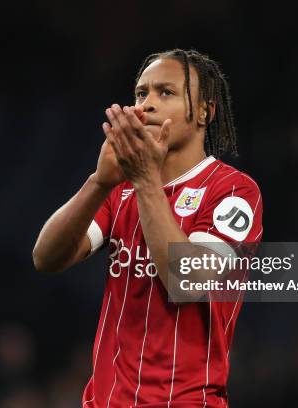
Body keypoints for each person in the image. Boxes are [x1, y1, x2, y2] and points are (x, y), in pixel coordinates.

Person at [33, 49, 263, 408]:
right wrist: (99, 182)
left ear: (204, 110)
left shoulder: (233, 191)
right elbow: (46, 257)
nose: (147, 105)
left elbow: (187, 282)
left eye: (165, 92)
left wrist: (143, 179)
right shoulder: (119, 189)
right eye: (141, 93)